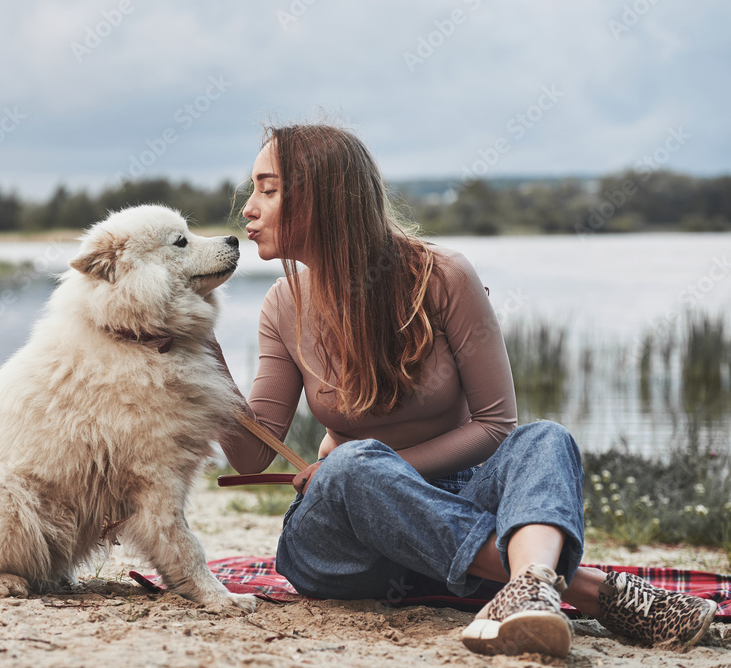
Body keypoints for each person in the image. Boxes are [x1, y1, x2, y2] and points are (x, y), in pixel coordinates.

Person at [213, 124, 717, 657]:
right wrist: (199, 352)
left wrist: (379, 468)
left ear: (327, 198)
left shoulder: (444, 276)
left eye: (268, 190)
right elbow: (251, 454)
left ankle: (526, 590)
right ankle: (581, 589)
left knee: (544, 438)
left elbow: (497, 426)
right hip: (346, 553)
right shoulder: (281, 305)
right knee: (353, 466)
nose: (248, 207)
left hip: (454, 503)